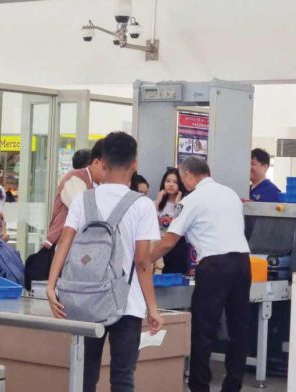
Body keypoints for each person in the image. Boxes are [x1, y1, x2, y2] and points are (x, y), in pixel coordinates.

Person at [47, 132, 163, 392]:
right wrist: (152, 308)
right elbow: (143, 262)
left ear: (102, 161)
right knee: (122, 377)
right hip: (128, 304)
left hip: (85, 299)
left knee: (85, 375)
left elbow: (64, 243)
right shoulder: (142, 205)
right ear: (134, 163)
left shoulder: (83, 199)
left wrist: (52, 285)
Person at [150, 156, 251, 392]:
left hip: (215, 265)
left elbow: (168, 241)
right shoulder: (230, 194)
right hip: (243, 263)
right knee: (239, 328)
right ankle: (232, 386)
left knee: (204, 330)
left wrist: (143, 260)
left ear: (187, 175)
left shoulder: (193, 199)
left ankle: (199, 387)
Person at [44, 140, 104, 250]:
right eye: (106, 167)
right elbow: (85, 212)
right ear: (95, 163)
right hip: (61, 245)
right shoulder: (73, 178)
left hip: (82, 247)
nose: (109, 171)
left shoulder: (99, 184)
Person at [152, 167, 191, 274]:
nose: (171, 184)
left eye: (175, 182)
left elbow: (182, 225)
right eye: (168, 181)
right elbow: (149, 222)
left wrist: (179, 203)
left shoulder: (184, 204)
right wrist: (158, 200)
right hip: (159, 247)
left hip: (176, 248)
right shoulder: (156, 204)